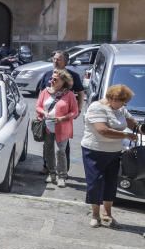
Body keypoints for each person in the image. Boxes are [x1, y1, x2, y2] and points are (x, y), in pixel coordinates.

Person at [81, 84, 139, 228]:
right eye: (122, 101)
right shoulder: (96, 108)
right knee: (96, 182)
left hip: (114, 152)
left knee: (111, 183)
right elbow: (103, 130)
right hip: (94, 151)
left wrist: (140, 129)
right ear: (113, 98)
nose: (124, 105)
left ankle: (107, 214)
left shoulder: (121, 109)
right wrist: (126, 134)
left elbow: (135, 125)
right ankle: (95, 214)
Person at [36, 69, 79, 187]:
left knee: (60, 151)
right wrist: (43, 112)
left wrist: (63, 118)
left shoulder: (69, 95)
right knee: (48, 151)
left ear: (63, 82)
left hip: (63, 127)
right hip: (48, 126)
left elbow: (74, 112)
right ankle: (52, 173)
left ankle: (62, 176)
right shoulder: (45, 91)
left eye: (55, 79)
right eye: (51, 78)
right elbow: (38, 106)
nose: (51, 81)